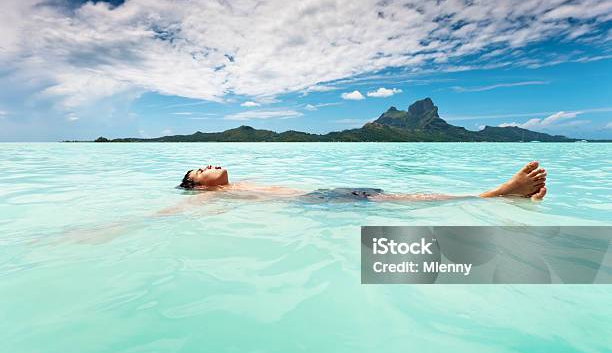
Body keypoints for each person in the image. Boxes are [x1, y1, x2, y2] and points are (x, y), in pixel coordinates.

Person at [177, 161, 547, 201]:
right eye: (200, 170)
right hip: (315, 201)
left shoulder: (239, 185)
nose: (210, 166)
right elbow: (162, 215)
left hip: (320, 194)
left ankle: (498, 196)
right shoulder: (205, 201)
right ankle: (493, 195)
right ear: (196, 185)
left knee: (398, 195)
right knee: (401, 200)